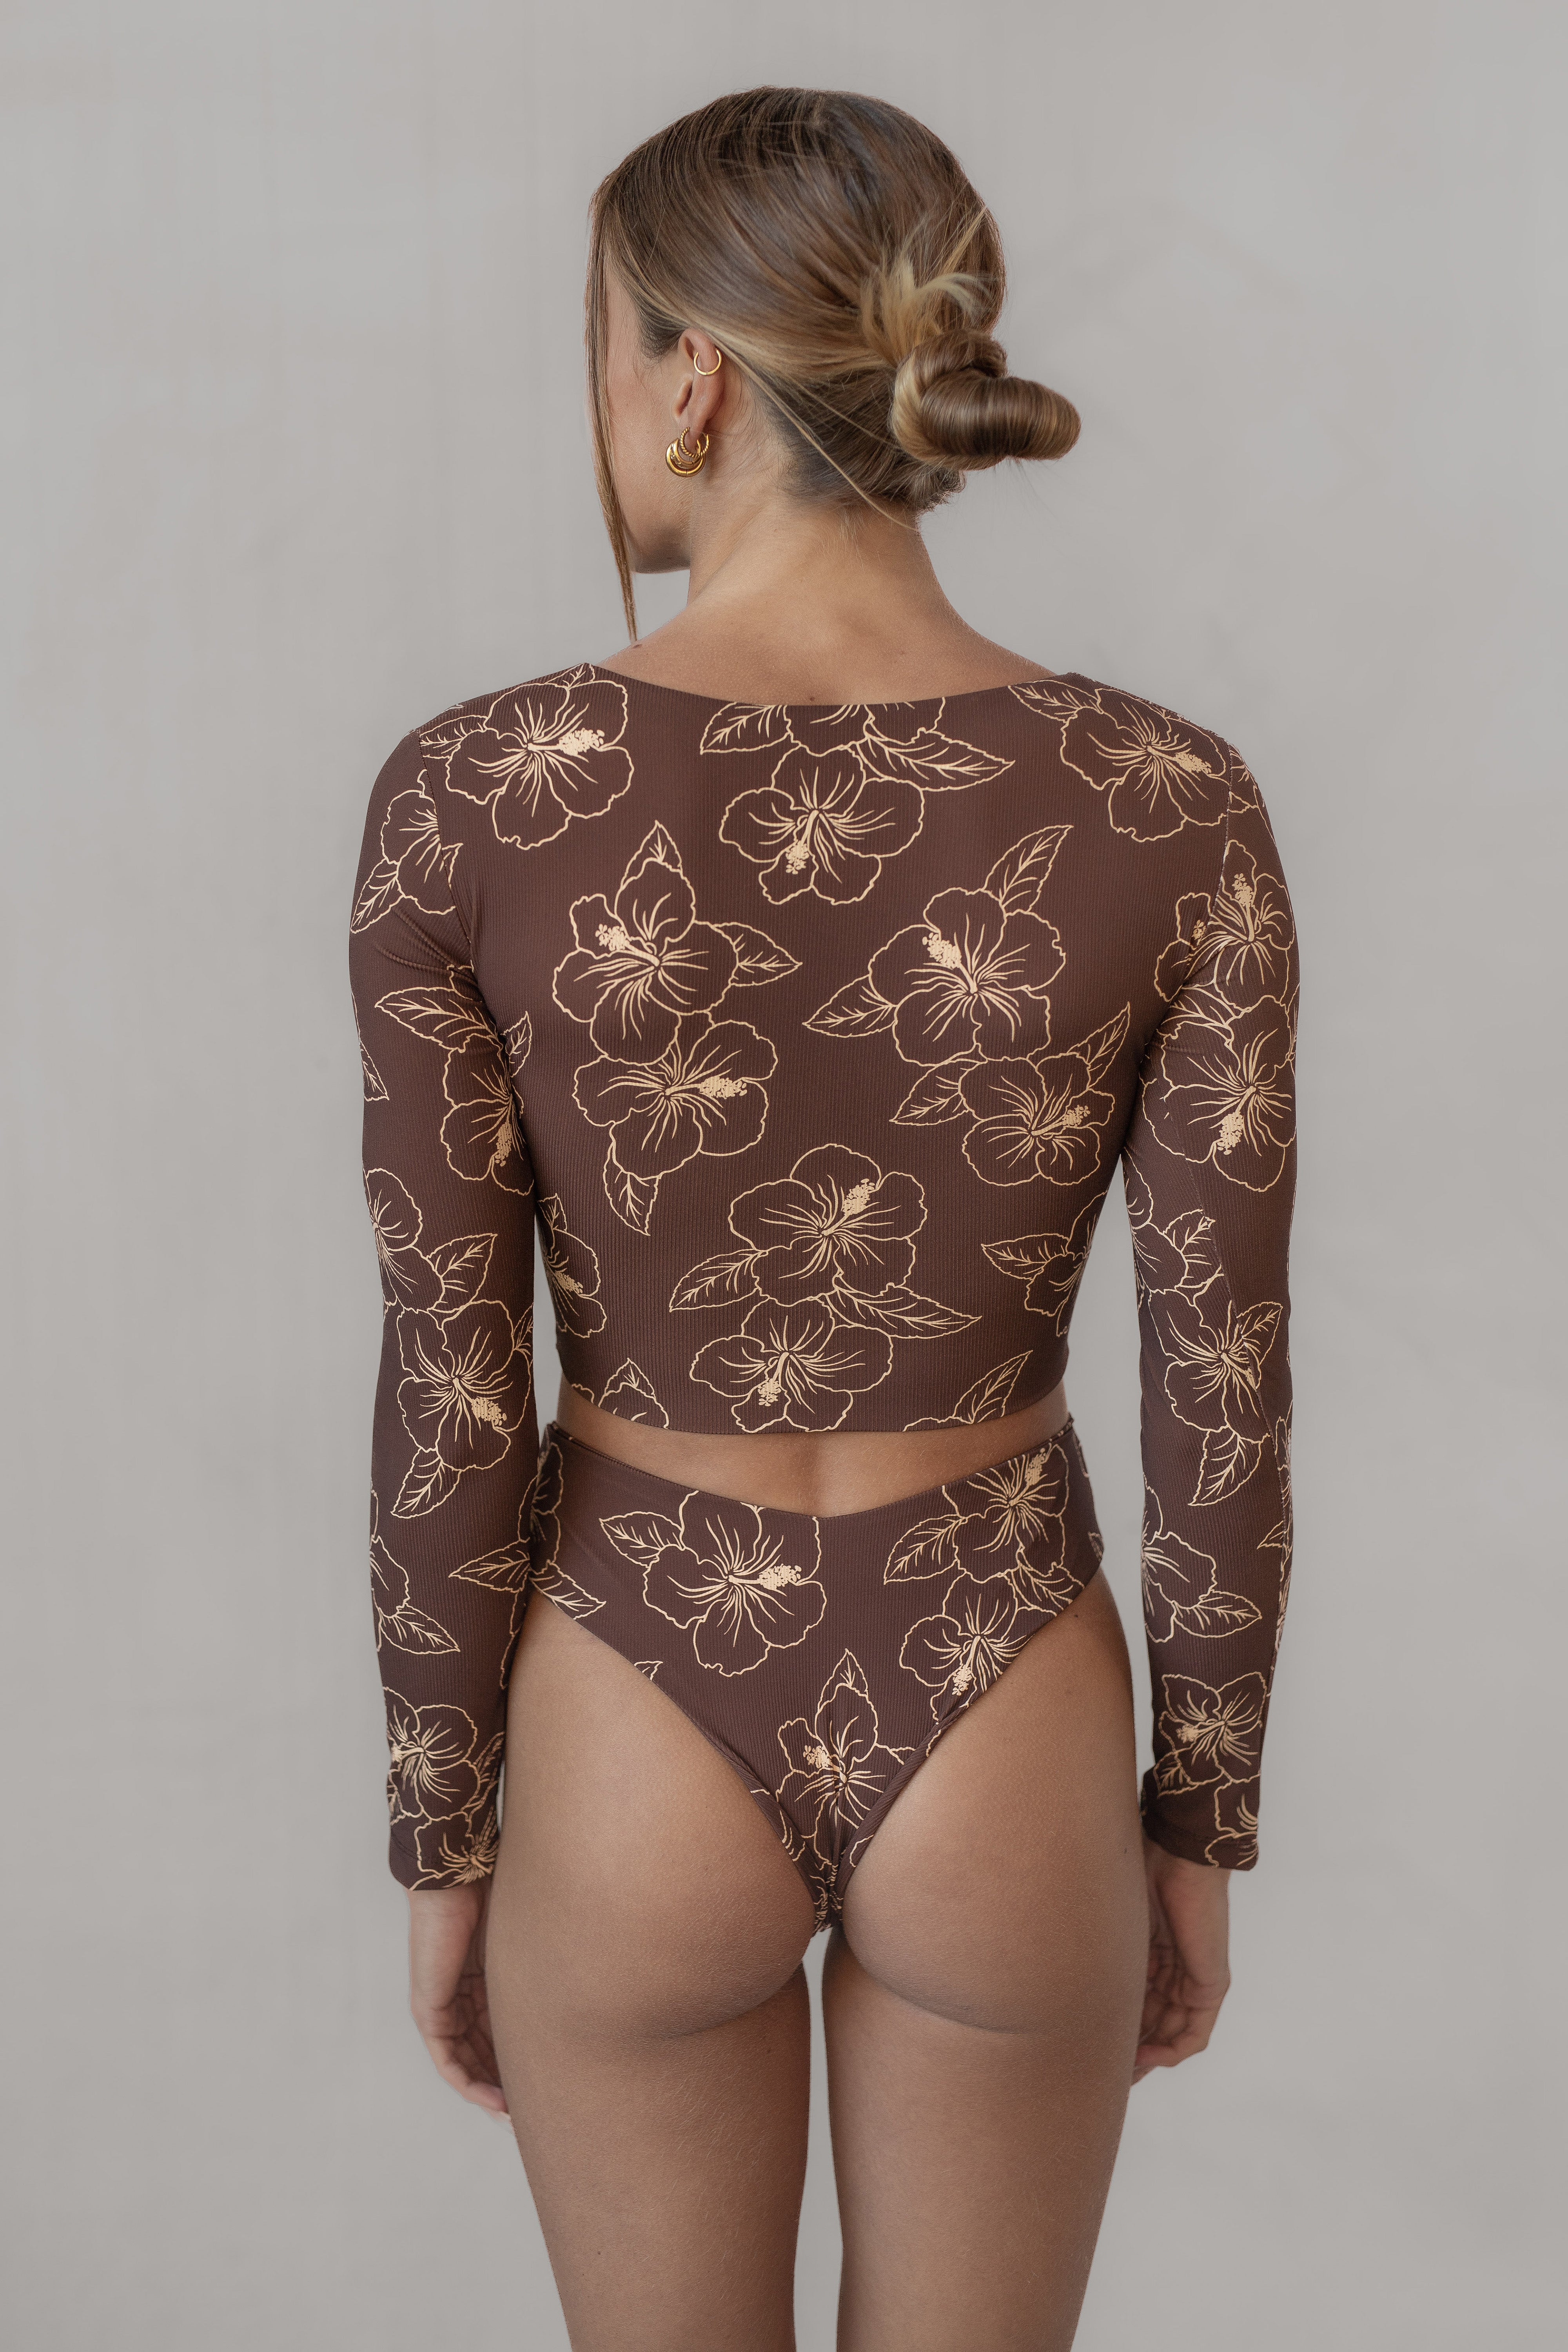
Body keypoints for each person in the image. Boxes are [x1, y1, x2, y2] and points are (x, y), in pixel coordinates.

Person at [348, 85, 1297, 2352]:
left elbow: (453, 1385)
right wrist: (1199, 1821)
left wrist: (445, 1834)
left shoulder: (472, 798)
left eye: (604, 348)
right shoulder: (1171, 802)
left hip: (631, 1687)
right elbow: (1223, 1377)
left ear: (689, 376)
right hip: (1005, 1689)